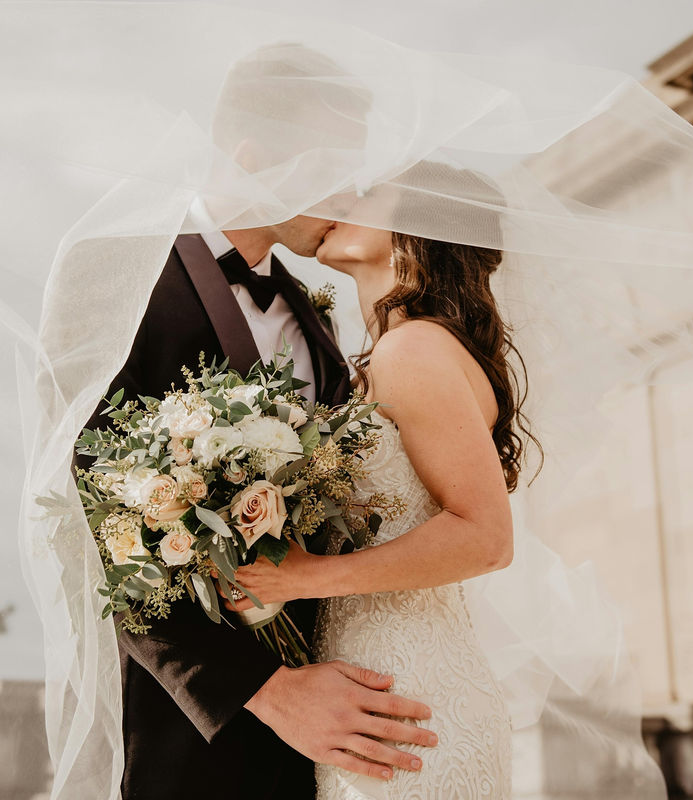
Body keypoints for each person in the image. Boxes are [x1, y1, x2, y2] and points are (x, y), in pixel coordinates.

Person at [80, 45, 437, 800]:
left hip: (338, 727)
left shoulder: (316, 319)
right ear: (252, 157)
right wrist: (269, 692)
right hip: (194, 732)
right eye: (333, 167)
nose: (351, 192)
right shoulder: (113, 275)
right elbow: (94, 515)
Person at [224, 166, 527, 797]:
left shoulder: (412, 350)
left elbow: (488, 536)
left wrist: (308, 575)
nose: (335, 199)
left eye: (363, 193)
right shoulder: (391, 352)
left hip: (406, 695)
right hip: (374, 688)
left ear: (416, 227)